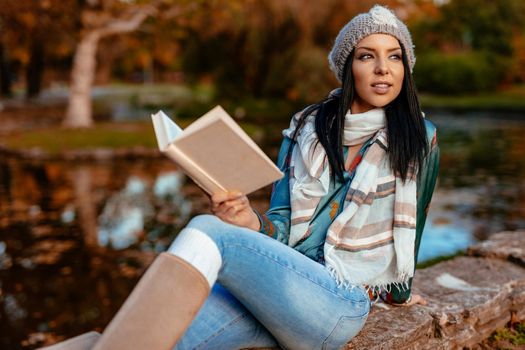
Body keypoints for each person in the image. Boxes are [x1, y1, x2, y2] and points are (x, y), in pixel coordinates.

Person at [41, 4, 439, 350]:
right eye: (367, 56)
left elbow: (412, 229)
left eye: (396, 57)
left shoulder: (421, 138)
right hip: (280, 290)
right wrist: (247, 220)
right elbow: (281, 224)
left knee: (206, 230)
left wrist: (400, 296)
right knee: (145, 338)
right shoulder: (306, 129)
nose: (384, 69)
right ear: (347, 66)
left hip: (337, 306)